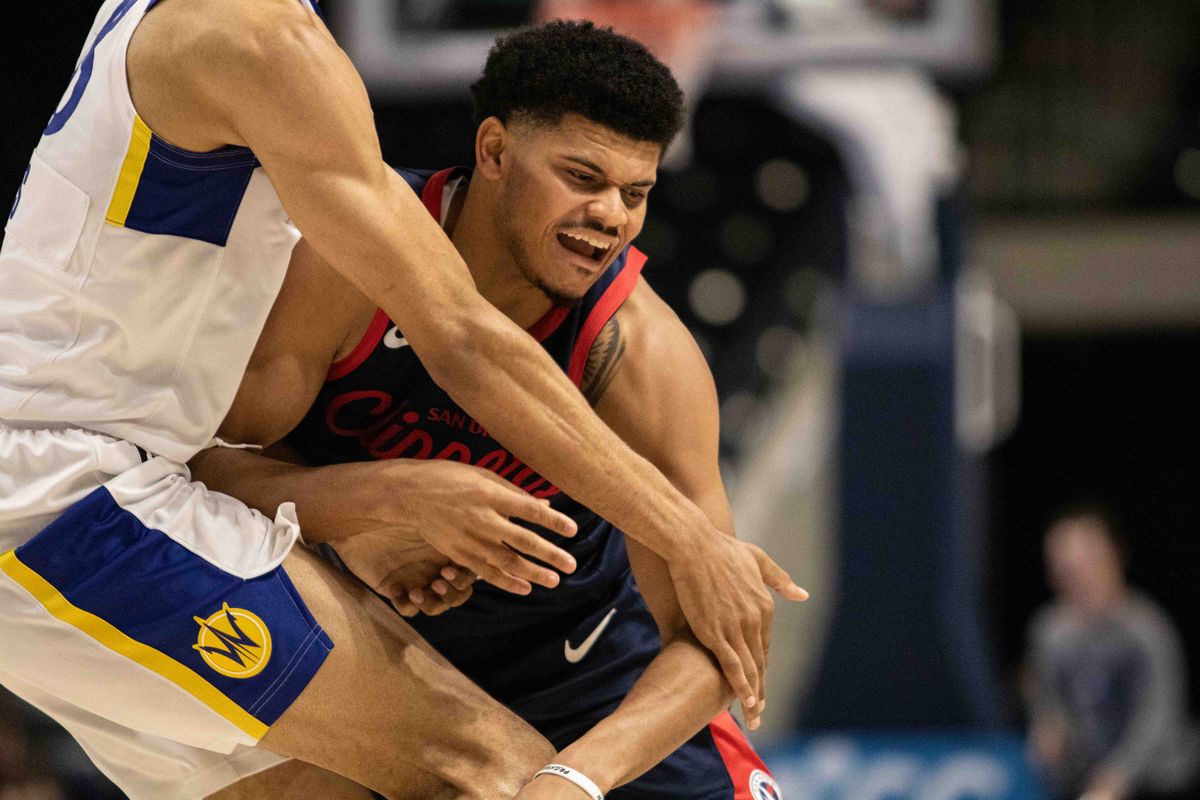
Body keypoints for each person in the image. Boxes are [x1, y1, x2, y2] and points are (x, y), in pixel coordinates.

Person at [0, 0, 803, 798]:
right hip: (73, 486)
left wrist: (581, 772)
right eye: (582, 178)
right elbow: (459, 336)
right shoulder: (265, 41)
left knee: (323, 786)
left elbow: (716, 634)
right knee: (487, 771)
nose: (610, 216)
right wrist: (379, 501)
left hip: (591, 681)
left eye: (636, 192)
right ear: (493, 152)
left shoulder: (635, 347)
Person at [1025, 504, 1200, 800]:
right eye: (1065, 570)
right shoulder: (1049, 632)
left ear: (1113, 557)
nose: (1078, 579)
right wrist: (1048, 729)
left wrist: (1118, 778)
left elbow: (1158, 718)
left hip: (1158, 782)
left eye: (1086, 564)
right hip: (1089, 780)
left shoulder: (1146, 629)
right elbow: (1050, 702)